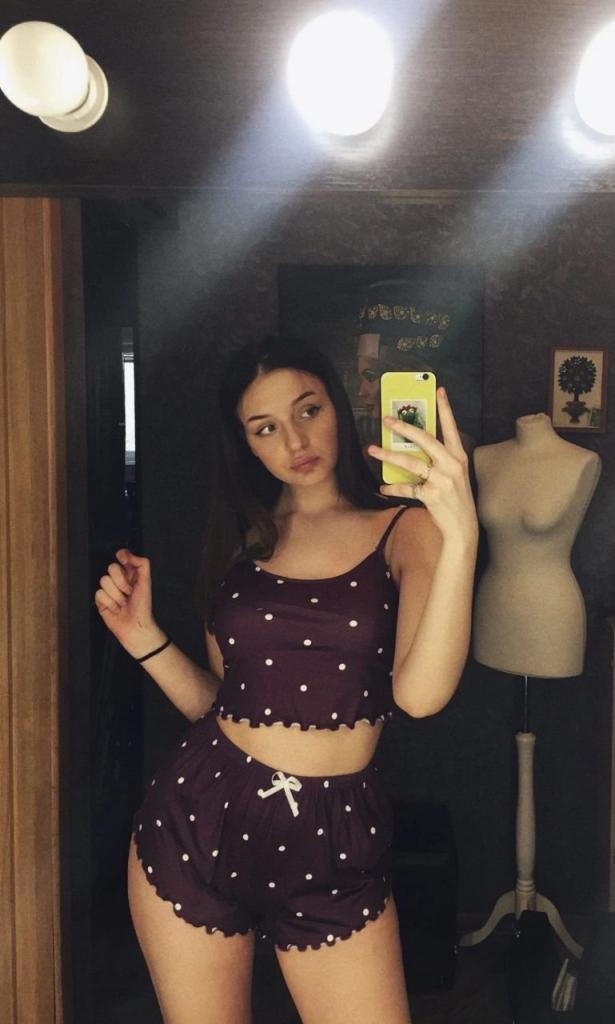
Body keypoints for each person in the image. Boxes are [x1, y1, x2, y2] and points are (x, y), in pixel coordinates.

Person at [94, 336, 478, 1024]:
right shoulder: (245, 541)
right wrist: (143, 639)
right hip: (196, 821)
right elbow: (225, 707)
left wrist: (463, 534)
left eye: (308, 410)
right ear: (245, 444)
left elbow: (419, 696)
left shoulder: (407, 528)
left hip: (335, 841)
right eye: (265, 427)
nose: (295, 440)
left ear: (339, 406)